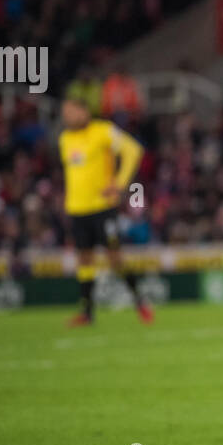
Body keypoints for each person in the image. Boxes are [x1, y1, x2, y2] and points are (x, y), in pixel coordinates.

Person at [58, 94, 152, 327]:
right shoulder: (65, 139)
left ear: (83, 111)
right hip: (78, 209)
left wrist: (119, 184)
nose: (66, 117)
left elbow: (134, 151)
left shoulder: (103, 131)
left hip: (102, 208)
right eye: (64, 113)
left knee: (115, 258)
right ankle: (87, 313)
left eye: (70, 112)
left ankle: (139, 302)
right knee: (84, 259)